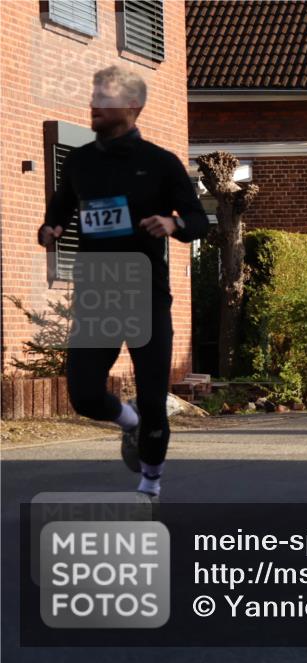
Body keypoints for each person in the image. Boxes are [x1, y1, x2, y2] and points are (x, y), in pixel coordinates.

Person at [37, 66, 209, 497]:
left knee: (154, 399)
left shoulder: (160, 164)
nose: (93, 104)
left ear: (131, 107)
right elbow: (59, 211)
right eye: (93, 95)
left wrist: (172, 224)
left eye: (104, 98)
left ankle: (150, 482)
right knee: (84, 395)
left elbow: (197, 220)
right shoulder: (79, 162)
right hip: (98, 294)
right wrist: (50, 231)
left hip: (145, 295)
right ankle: (127, 422)